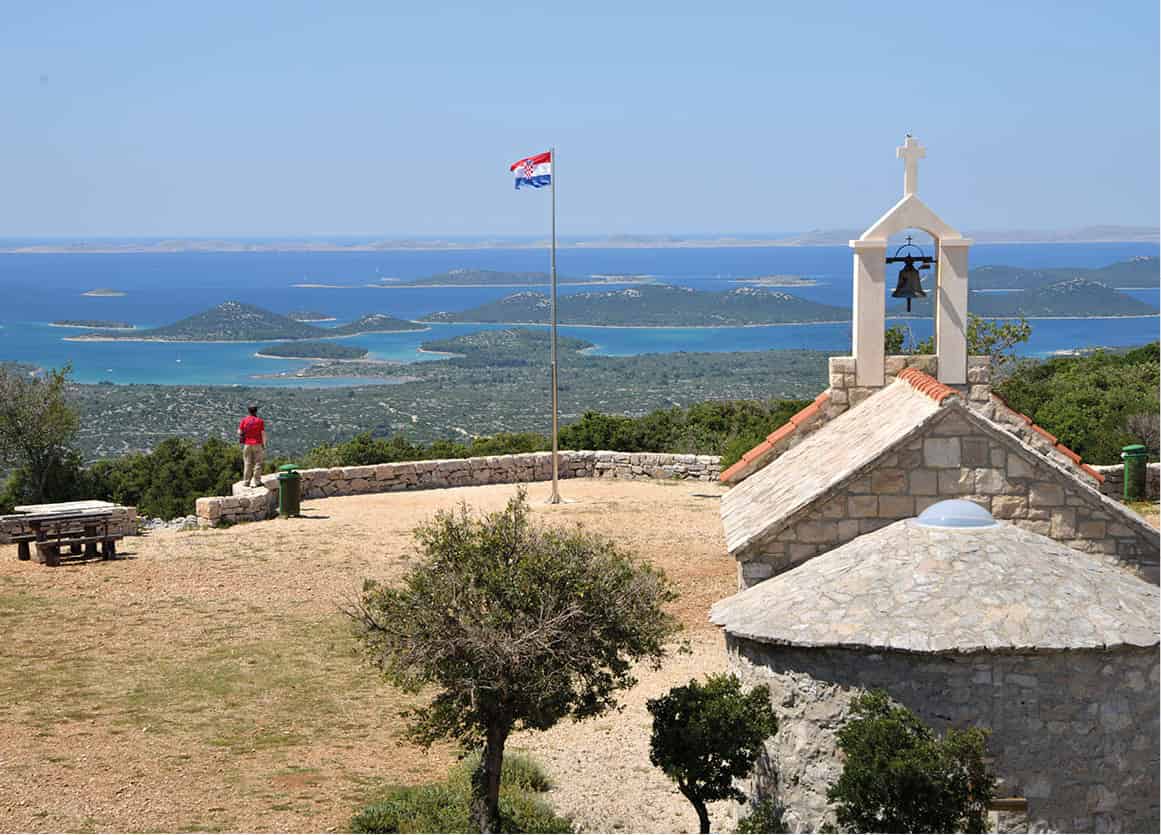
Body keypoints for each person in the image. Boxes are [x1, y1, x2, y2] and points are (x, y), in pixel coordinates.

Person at [238, 405, 267, 488]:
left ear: (248, 411)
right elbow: (263, 434)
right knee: (258, 463)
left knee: (247, 463)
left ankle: (246, 482)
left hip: (247, 444)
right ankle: (257, 481)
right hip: (257, 444)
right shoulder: (260, 421)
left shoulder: (244, 420)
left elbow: (239, 431)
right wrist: (264, 444)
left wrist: (243, 434)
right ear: (256, 411)